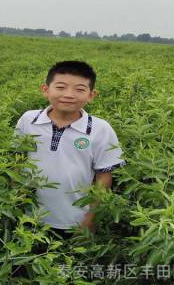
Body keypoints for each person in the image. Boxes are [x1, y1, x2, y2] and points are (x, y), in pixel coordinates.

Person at [15, 61, 126, 239]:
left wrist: (90, 220)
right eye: (60, 87)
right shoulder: (28, 120)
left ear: (91, 95)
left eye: (79, 89)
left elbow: (103, 177)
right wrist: (14, 200)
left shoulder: (100, 129)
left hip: (74, 221)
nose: (69, 95)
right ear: (45, 89)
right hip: (27, 216)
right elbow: (17, 161)